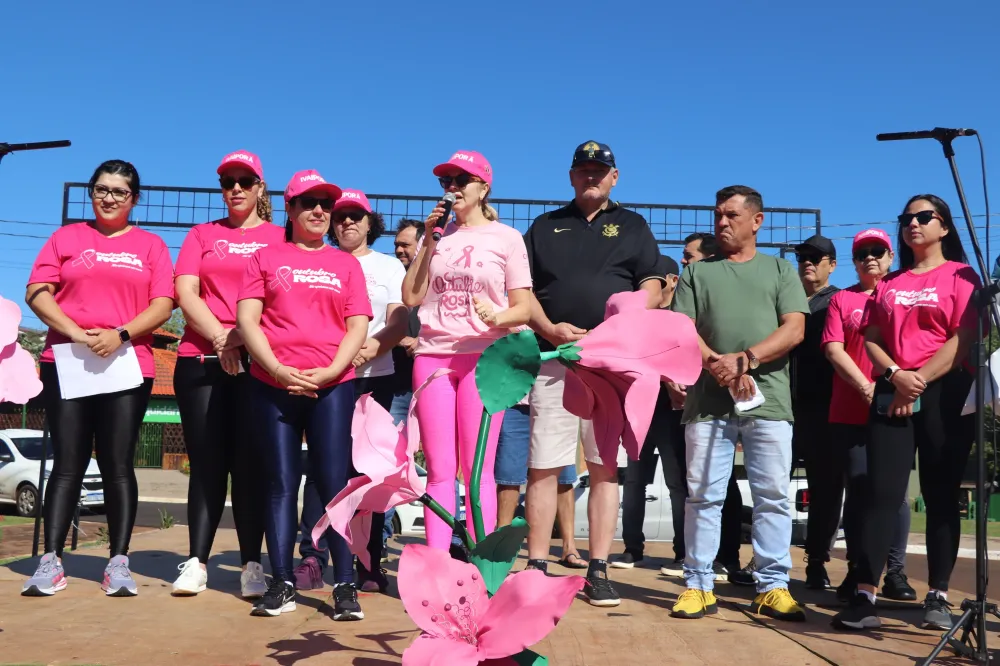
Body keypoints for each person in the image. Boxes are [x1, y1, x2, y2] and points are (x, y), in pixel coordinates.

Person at [22, 160, 174, 597]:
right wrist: (74, 332)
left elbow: (163, 304)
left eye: (119, 192)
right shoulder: (65, 238)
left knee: (117, 462)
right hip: (67, 359)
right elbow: (36, 291)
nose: (109, 198)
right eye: (101, 189)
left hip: (127, 362)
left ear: (134, 199)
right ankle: (51, 560)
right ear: (92, 192)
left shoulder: (151, 246)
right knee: (67, 462)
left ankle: (118, 562)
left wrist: (119, 334)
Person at [523, 140, 664, 607]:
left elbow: (652, 283)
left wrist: (628, 318)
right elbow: (522, 291)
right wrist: (549, 328)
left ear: (614, 177)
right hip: (555, 357)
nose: (591, 177)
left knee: (604, 467)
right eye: (583, 170)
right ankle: (537, 564)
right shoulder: (544, 226)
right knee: (543, 466)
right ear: (570, 176)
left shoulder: (634, 225)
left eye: (599, 171)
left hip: (610, 365)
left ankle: (598, 569)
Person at [834, 196, 979, 632]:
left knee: (940, 493)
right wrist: (897, 375)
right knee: (881, 493)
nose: (913, 223)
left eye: (923, 217)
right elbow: (872, 338)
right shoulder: (891, 282)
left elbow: (964, 337)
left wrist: (919, 381)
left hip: (945, 391)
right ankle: (865, 596)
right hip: (893, 390)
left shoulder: (962, 275)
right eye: (906, 218)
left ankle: (938, 595)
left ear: (944, 226)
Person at [237, 170, 372, 620]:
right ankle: (282, 583)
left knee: (334, 485)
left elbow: (357, 325)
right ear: (289, 208)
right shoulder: (264, 257)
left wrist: (333, 370)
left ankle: (345, 585)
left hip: (332, 386)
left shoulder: (346, 264)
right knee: (280, 483)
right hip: (273, 385)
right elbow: (248, 320)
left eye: (325, 205)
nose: (319, 211)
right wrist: (277, 369)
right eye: (308, 203)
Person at [670, 185, 807, 622]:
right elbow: (681, 329)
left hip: (769, 402)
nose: (722, 222)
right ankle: (698, 584)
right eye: (718, 215)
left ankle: (773, 586)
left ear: (757, 220)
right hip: (708, 403)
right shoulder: (697, 273)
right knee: (703, 496)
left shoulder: (780, 270)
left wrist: (746, 359)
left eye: (731, 215)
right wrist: (719, 366)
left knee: (773, 497)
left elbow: (795, 329)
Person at [402, 150, 532, 551]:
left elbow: (524, 307)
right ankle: (438, 561)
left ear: (484, 188)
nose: (453, 188)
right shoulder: (437, 235)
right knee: (440, 469)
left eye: (462, 180)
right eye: (446, 181)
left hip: (485, 358)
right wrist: (428, 242)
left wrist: (497, 316)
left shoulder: (506, 237)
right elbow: (411, 297)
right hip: (433, 354)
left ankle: (480, 562)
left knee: (478, 470)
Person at [170, 150, 281, 599]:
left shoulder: (280, 236)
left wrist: (243, 339)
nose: (235, 188)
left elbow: (284, 299)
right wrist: (220, 337)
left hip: (258, 364)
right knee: (207, 465)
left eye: (244, 180)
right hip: (201, 359)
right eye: (227, 181)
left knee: (251, 466)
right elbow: (185, 290)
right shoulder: (202, 234)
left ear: (259, 187)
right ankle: (197, 563)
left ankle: (251, 565)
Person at [294, 189, 407, 594]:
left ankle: (368, 560)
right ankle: (313, 556)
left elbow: (398, 321)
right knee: (324, 467)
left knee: (369, 473)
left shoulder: (389, 266)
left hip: (374, 377)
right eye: (340, 215)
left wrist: (368, 349)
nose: (346, 222)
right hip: (326, 377)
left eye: (356, 216)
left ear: (370, 222)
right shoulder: (317, 260)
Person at [612, 254, 742, 579]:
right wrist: (662, 378)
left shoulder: (682, 317)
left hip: (674, 412)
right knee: (634, 480)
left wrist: (675, 382)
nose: (645, 290)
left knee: (677, 483)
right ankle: (632, 549)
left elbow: (691, 357)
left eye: (653, 283)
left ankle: (682, 553)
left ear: (671, 281)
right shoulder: (639, 318)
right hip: (641, 408)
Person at [822, 229, 914, 603]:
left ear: (891, 256)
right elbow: (834, 348)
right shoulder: (842, 299)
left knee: (896, 495)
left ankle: (896, 572)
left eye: (878, 251)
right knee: (859, 492)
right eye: (862, 254)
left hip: (897, 406)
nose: (870, 258)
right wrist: (865, 386)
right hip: (850, 411)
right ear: (854, 262)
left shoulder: (903, 295)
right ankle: (859, 572)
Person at [790, 234, 841, 589]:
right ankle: (765, 560)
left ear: (832, 265)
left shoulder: (838, 300)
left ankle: (817, 561)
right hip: (782, 408)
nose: (808, 262)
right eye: (802, 257)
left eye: (816, 257)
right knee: (771, 487)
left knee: (825, 489)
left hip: (824, 409)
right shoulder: (785, 298)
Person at [494, 399, 585, 569]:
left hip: (556, 403)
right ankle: (501, 546)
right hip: (514, 402)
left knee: (563, 477)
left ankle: (569, 547)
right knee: (509, 477)